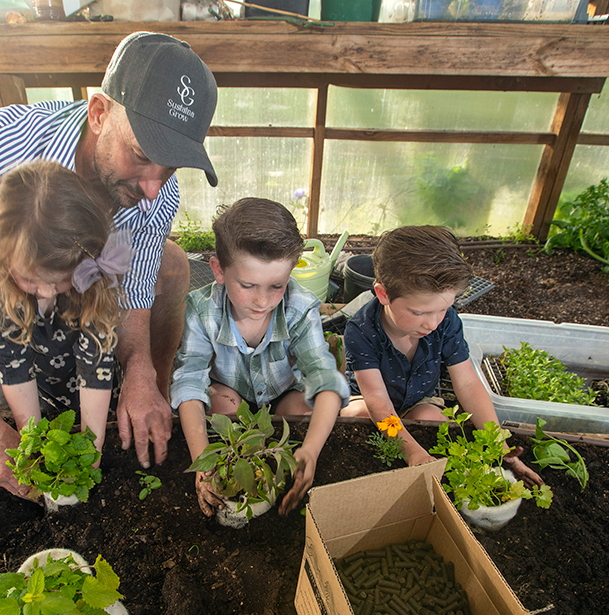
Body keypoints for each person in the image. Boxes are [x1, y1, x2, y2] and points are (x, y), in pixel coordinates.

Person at [0, 31, 218, 500]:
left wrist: (138, 366)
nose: (153, 189)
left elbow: (136, 288)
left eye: (171, 168)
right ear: (99, 113)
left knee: (173, 264)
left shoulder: (155, 195)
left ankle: (148, 398)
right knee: (18, 402)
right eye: (141, 157)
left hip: (87, 292)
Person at [170, 198, 350, 518]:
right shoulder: (202, 308)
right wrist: (202, 463)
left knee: (306, 410)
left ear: (291, 273)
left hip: (282, 398)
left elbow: (325, 377)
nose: (262, 300)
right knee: (218, 402)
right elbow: (189, 379)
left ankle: (280, 453)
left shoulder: (300, 307)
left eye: (276, 285)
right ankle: (234, 455)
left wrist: (310, 451)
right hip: (232, 399)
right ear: (218, 270)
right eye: (248, 285)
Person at [339, 225, 542, 484]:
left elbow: (468, 383)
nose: (432, 323)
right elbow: (378, 401)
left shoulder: (447, 323)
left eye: (443, 309)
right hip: (366, 401)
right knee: (360, 418)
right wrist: (413, 453)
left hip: (417, 400)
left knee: (431, 420)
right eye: (419, 312)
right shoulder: (362, 330)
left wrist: (499, 445)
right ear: (383, 294)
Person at [0, 160, 131, 460]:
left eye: (59, 281)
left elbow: (96, 365)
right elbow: (14, 368)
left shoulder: (92, 280)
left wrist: (91, 451)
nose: (45, 292)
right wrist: (34, 447)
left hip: (95, 386)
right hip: (40, 385)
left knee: (96, 420)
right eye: (31, 279)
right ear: (2, 256)